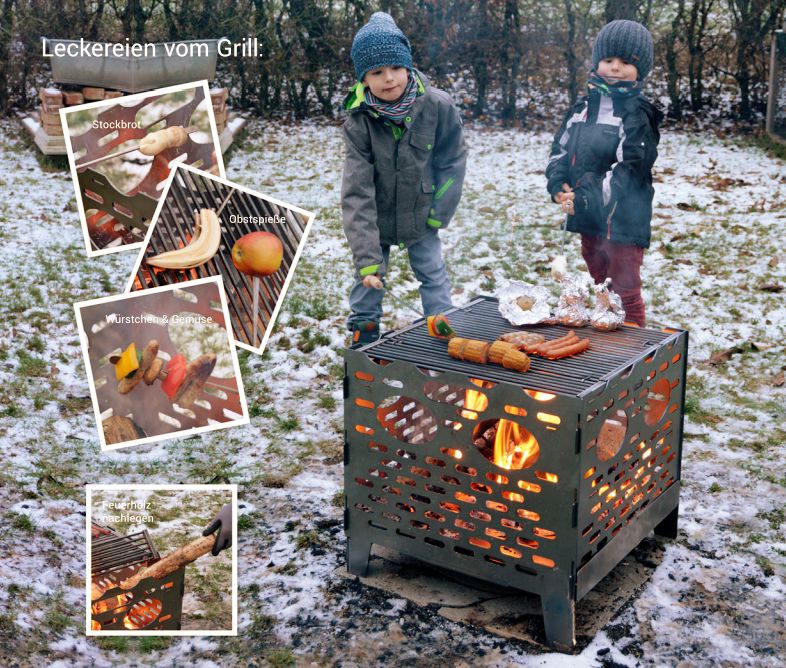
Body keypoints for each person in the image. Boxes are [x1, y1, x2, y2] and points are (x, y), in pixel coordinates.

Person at [342, 12, 467, 345]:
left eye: (396, 68)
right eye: (376, 72)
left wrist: (439, 211)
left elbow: (452, 160)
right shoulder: (359, 121)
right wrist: (368, 260)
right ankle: (364, 328)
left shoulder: (438, 106)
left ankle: (442, 327)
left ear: (408, 67)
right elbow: (357, 191)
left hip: (421, 211)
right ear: (363, 78)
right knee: (368, 277)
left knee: (432, 272)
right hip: (377, 215)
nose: (389, 79)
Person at [546, 19, 663, 327]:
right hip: (589, 217)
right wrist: (558, 182)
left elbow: (630, 167)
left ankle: (635, 343)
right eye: (608, 60)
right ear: (597, 62)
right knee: (600, 279)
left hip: (623, 217)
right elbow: (561, 149)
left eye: (625, 62)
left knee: (625, 288)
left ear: (641, 70)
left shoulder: (636, 113)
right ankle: (608, 328)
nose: (615, 68)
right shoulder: (583, 108)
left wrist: (588, 196)